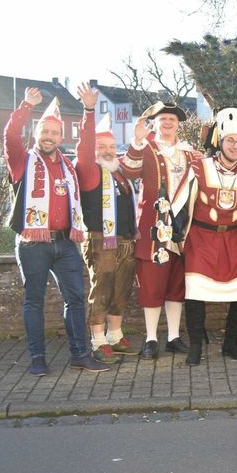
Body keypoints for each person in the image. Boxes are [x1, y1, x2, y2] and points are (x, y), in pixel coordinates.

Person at [6, 85, 108, 375]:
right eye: (44, 132)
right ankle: (37, 358)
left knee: (75, 299)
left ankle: (80, 355)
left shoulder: (69, 167)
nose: (49, 136)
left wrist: (89, 111)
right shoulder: (22, 161)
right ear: (37, 133)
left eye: (54, 133)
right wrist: (26, 106)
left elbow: (86, 148)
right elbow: (10, 136)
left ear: (61, 137)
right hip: (32, 244)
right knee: (34, 301)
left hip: (65, 243)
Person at [180, 108, 237, 366]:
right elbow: (182, 202)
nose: (235, 145)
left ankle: (231, 343)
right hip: (202, 238)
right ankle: (196, 345)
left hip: (233, 238)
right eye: (230, 140)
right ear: (220, 140)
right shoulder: (199, 167)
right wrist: (174, 229)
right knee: (195, 292)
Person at [121, 101, 196, 360]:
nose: (168, 123)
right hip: (154, 230)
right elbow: (129, 170)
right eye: (163, 119)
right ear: (155, 123)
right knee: (152, 286)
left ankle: (173, 337)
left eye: (172, 119)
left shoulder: (189, 152)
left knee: (177, 286)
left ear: (178, 125)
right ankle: (151, 338)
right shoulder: (146, 148)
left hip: (182, 230)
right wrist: (136, 141)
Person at [76, 110, 139, 362]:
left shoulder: (118, 172)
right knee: (102, 289)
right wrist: (89, 112)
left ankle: (115, 336)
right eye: (101, 146)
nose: (108, 151)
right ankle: (98, 341)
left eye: (111, 146)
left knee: (121, 290)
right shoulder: (89, 171)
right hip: (101, 240)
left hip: (125, 240)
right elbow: (84, 147)